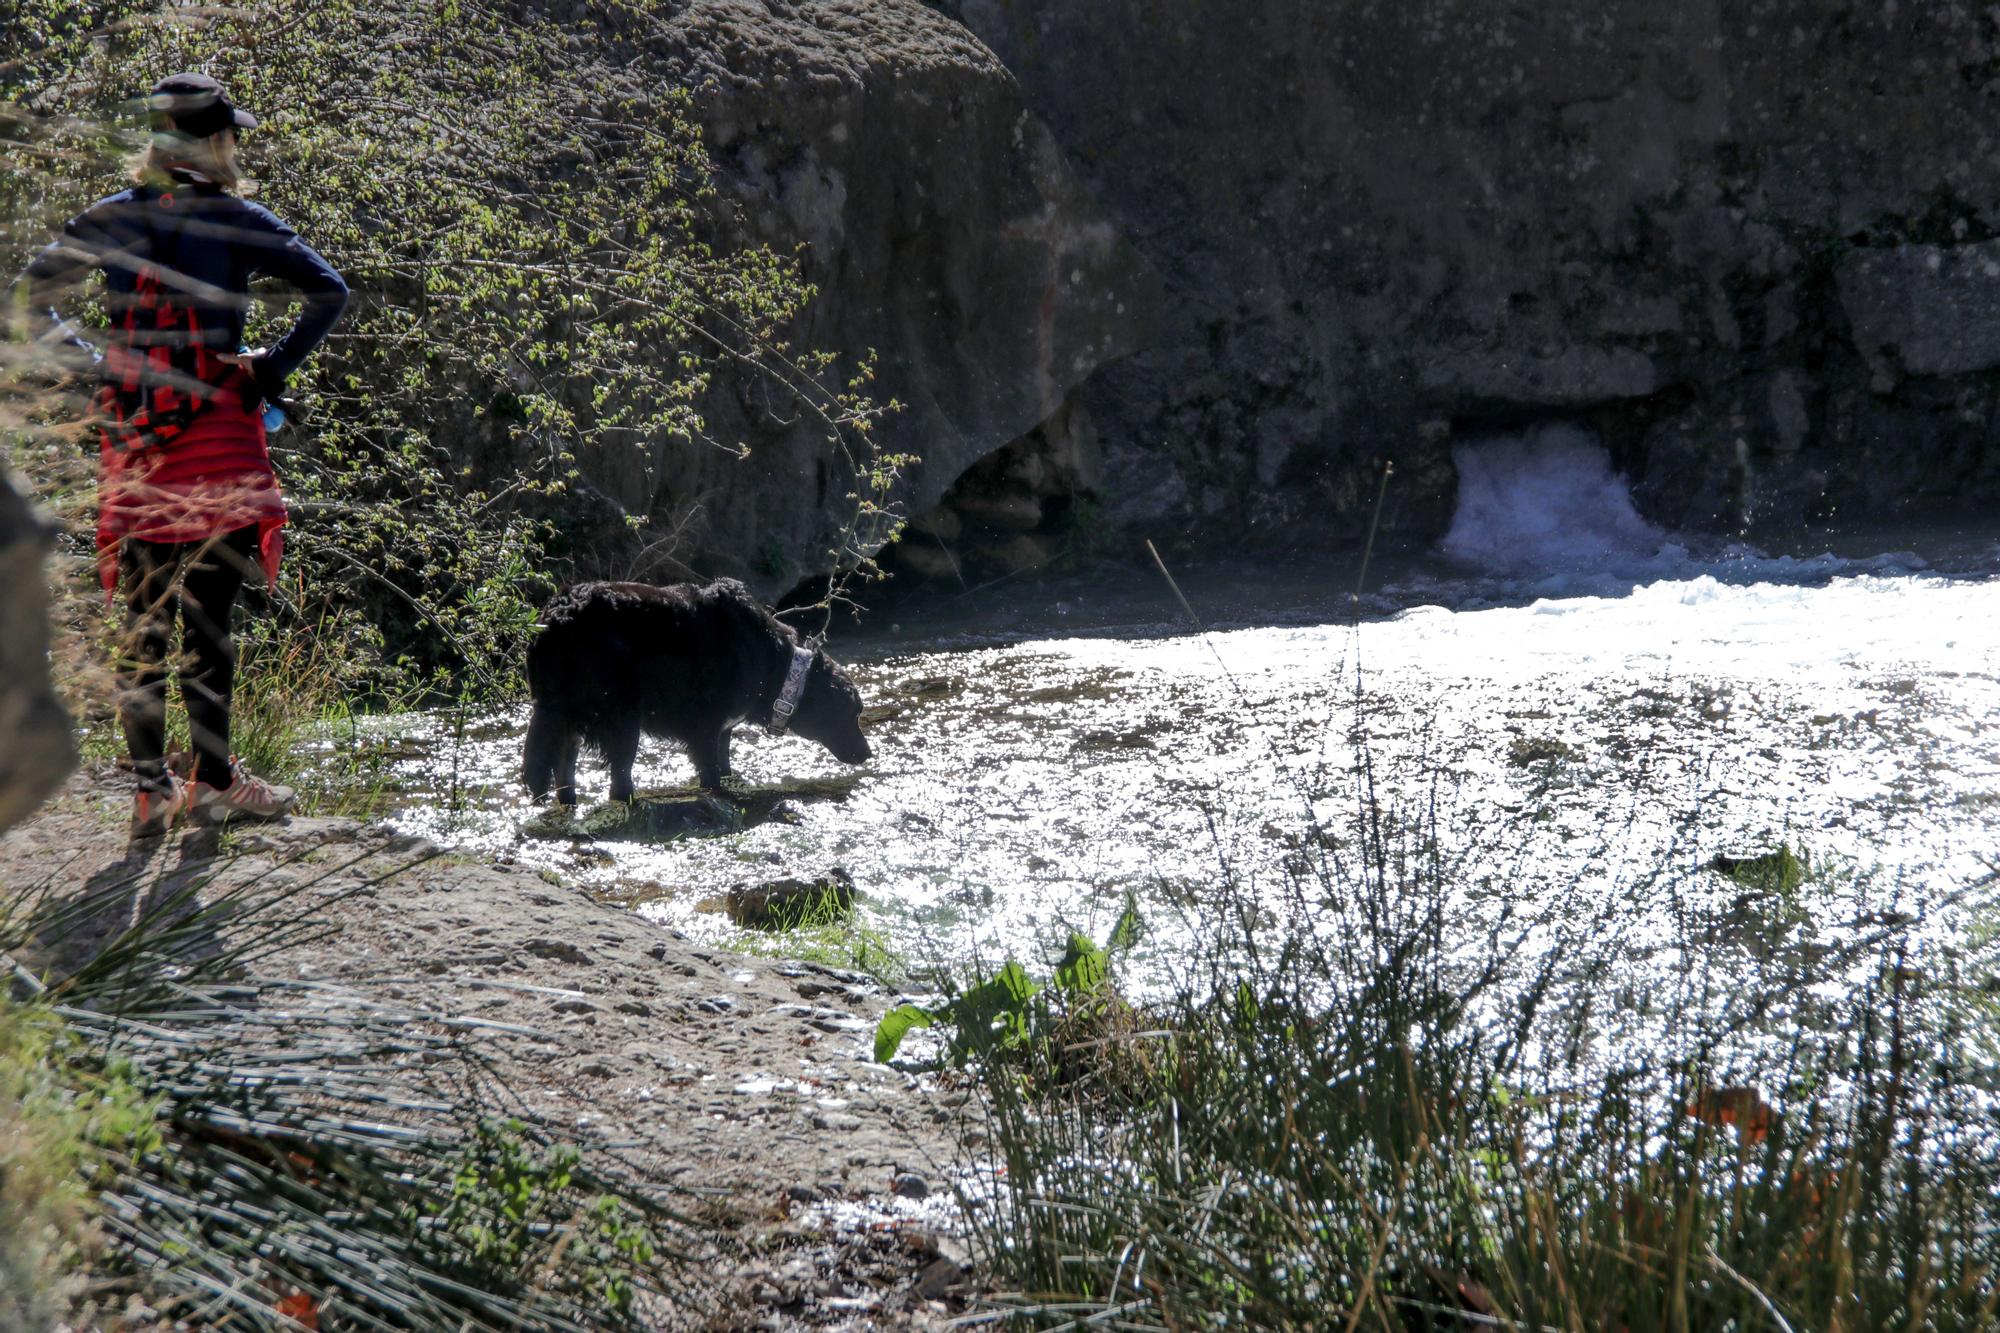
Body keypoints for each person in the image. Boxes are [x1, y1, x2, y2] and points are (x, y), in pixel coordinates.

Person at [12, 72, 349, 836]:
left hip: (137, 443)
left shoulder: (112, 216)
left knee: (145, 617)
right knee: (210, 621)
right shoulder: (239, 219)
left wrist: (98, 369)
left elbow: (29, 299)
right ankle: (215, 783)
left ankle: (149, 790)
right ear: (217, 142)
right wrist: (269, 369)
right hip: (219, 438)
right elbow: (329, 292)